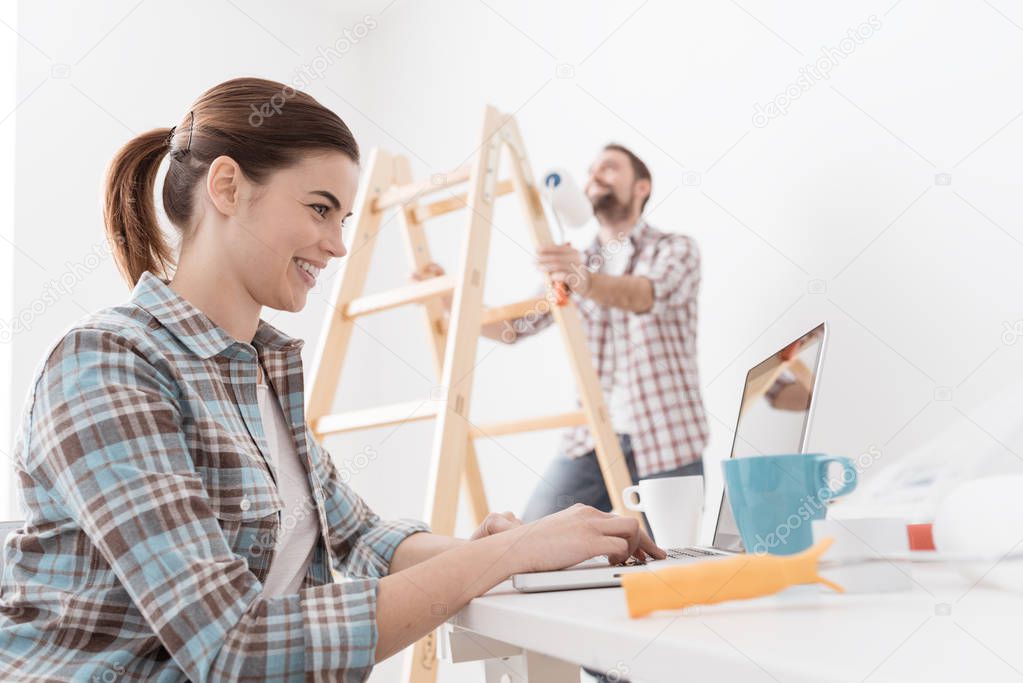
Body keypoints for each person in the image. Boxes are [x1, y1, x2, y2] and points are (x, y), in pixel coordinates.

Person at [0, 77, 662, 682]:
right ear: (227, 187)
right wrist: (508, 553)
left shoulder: (260, 370)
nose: (339, 243)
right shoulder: (105, 365)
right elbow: (235, 647)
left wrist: (518, 548)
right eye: (320, 209)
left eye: (344, 218)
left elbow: (362, 537)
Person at [415, 144, 709, 522]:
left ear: (642, 187)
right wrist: (448, 299)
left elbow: (644, 295)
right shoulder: (576, 264)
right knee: (531, 538)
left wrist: (583, 280)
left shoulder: (676, 250)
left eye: (609, 168)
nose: (594, 176)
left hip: (669, 441)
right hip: (592, 441)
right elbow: (514, 327)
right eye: (590, 171)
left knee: (666, 564)